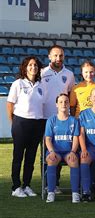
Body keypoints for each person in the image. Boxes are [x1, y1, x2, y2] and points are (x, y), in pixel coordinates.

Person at [7, 56, 46, 198]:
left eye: (35, 65)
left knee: (31, 157)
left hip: (37, 124)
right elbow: (10, 104)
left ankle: (27, 185)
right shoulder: (18, 83)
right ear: (25, 67)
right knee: (18, 156)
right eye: (30, 65)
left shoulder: (41, 85)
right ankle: (16, 187)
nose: (33, 67)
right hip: (21, 123)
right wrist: (14, 122)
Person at [41, 45, 75, 195]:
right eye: (55, 55)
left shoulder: (69, 74)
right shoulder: (42, 73)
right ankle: (48, 185)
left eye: (61, 55)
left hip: (62, 119)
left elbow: (70, 97)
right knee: (46, 153)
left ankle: (55, 184)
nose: (58, 58)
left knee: (61, 148)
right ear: (49, 56)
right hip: (44, 118)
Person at [44, 94, 81, 203]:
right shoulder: (51, 120)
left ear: (69, 104)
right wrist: (51, 151)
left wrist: (73, 152)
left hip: (69, 152)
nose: (63, 104)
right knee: (51, 160)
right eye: (60, 102)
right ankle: (51, 192)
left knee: (73, 161)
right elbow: (48, 139)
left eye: (66, 102)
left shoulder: (74, 121)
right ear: (56, 104)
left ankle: (75, 193)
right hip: (55, 152)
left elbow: (76, 138)